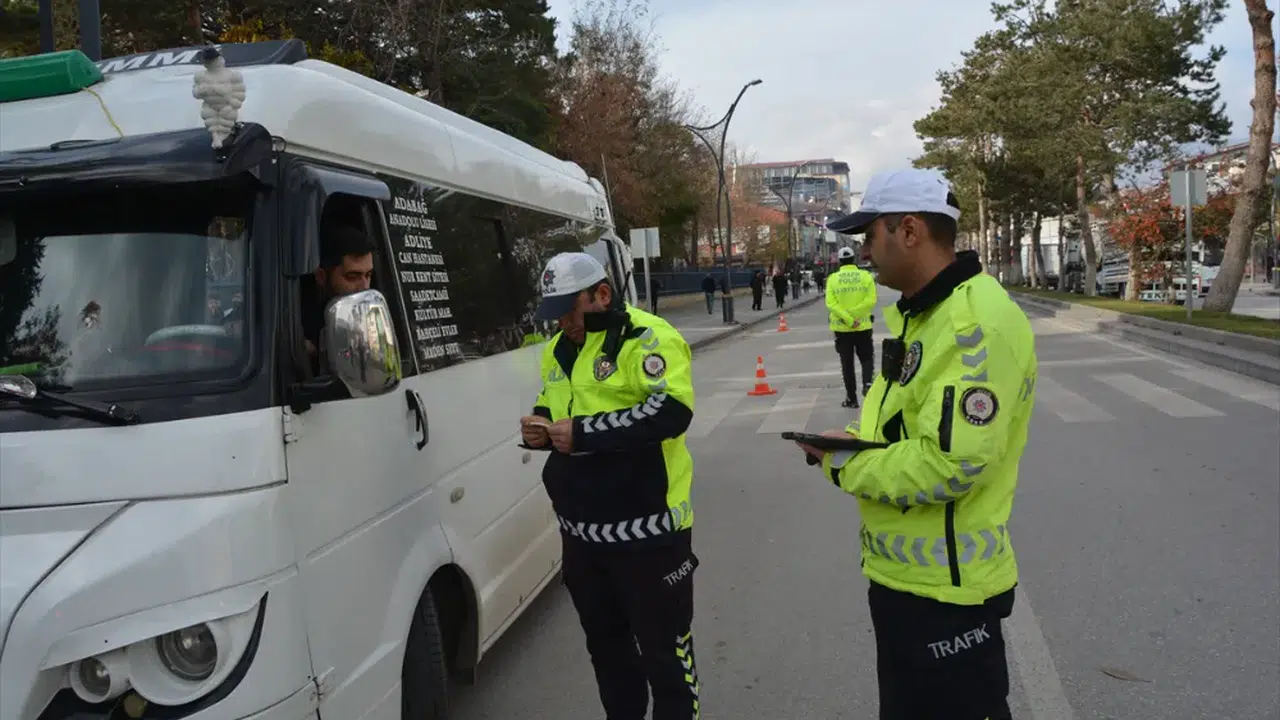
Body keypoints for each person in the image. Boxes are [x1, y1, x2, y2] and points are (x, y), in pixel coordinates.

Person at [793, 168, 1038, 720]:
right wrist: (855, 440)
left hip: (947, 595)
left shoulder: (972, 327)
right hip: (910, 583)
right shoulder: (926, 315)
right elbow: (906, 428)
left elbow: (951, 464)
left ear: (908, 231)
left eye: (869, 235)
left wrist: (842, 462)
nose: (863, 252)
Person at [520, 252, 701, 720]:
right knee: (608, 655)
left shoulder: (648, 337)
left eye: (569, 310)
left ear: (602, 294)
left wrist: (583, 433)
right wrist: (540, 424)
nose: (562, 322)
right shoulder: (558, 348)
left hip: (649, 534)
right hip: (583, 537)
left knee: (667, 659)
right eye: (555, 313)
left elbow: (672, 412)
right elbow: (554, 401)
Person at [303, 224, 376, 370]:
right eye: (352, 276)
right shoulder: (293, 318)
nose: (365, 287)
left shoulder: (370, 315)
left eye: (368, 275)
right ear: (321, 276)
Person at [826, 246, 877, 408]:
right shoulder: (866, 276)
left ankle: (851, 398)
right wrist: (855, 316)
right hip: (863, 327)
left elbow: (831, 304)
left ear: (840, 262)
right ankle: (868, 386)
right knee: (867, 360)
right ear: (854, 259)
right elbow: (871, 300)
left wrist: (848, 318)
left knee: (847, 364)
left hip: (842, 330)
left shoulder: (833, 279)